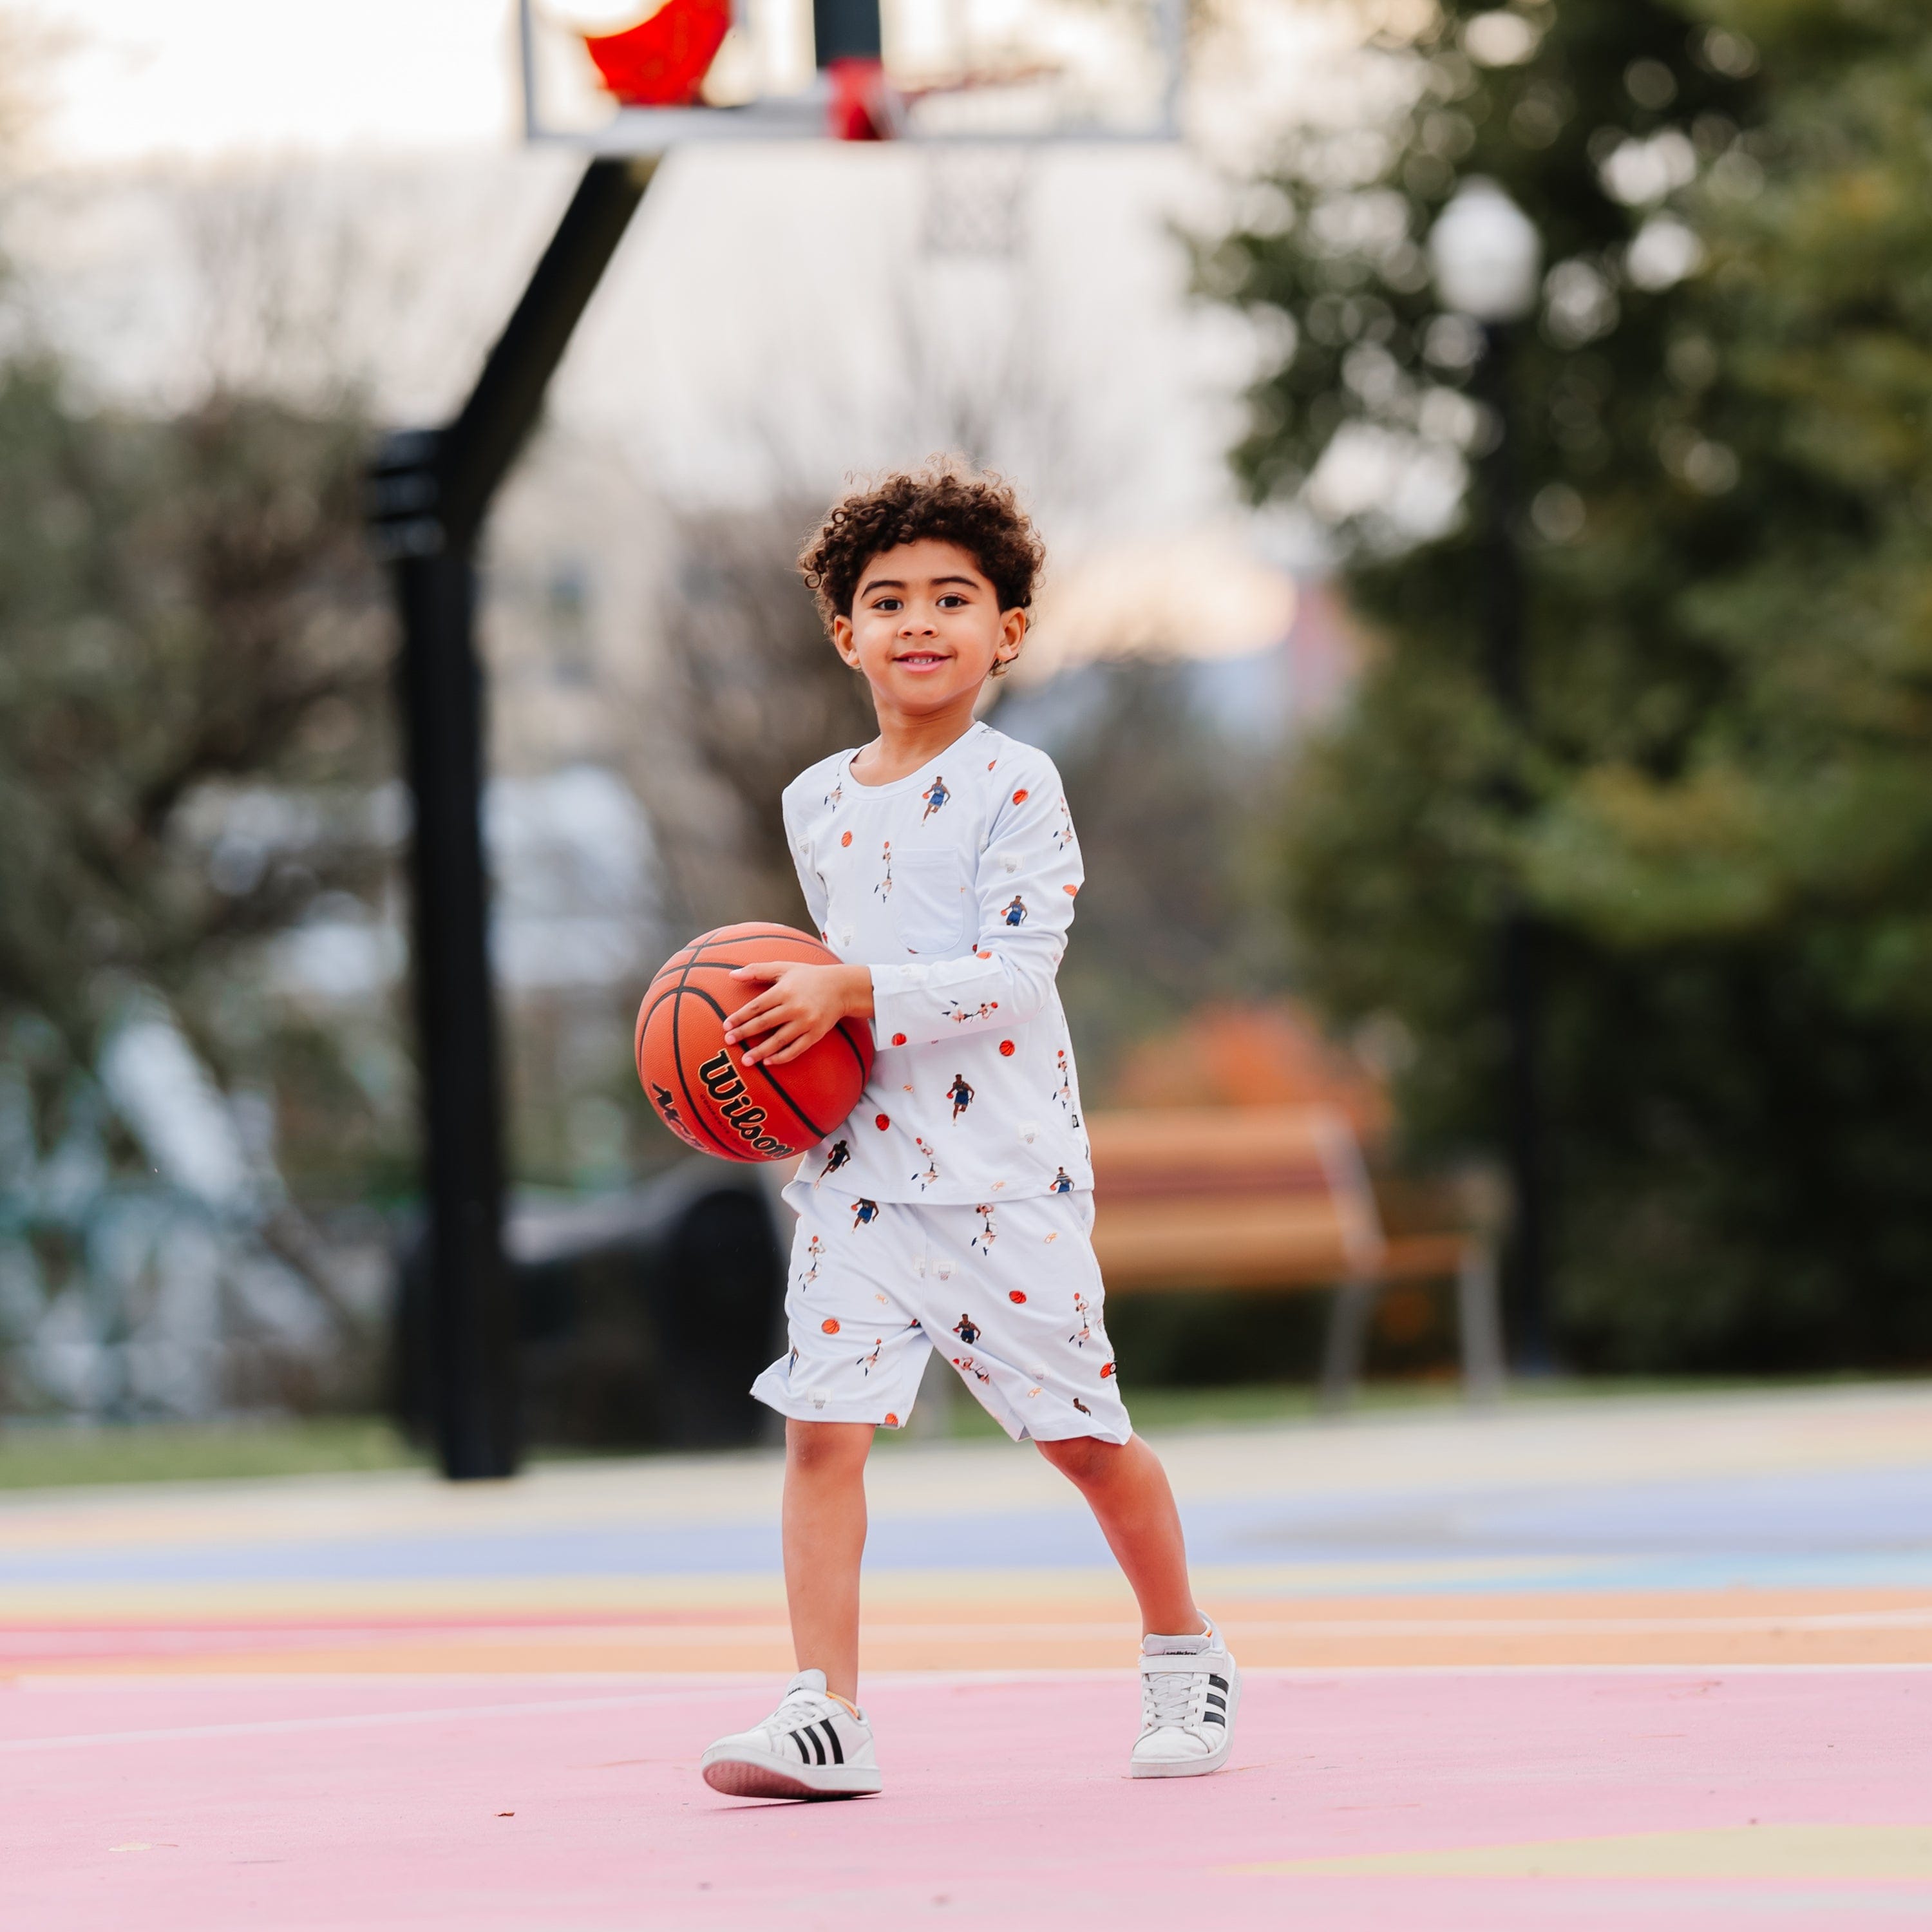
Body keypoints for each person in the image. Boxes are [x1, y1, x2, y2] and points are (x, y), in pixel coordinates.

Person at [697, 461, 1238, 1803]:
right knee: (822, 1432)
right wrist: (773, 1052)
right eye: (889, 600)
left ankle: (1185, 1648)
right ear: (846, 635)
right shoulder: (815, 802)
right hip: (856, 1178)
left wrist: (852, 988)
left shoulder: (1019, 786)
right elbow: (829, 978)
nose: (920, 620)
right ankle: (826, 1711)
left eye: (955, 597)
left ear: (1007, 631)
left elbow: (1016, 974)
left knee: (1085, 1443)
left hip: (1001, 1175)